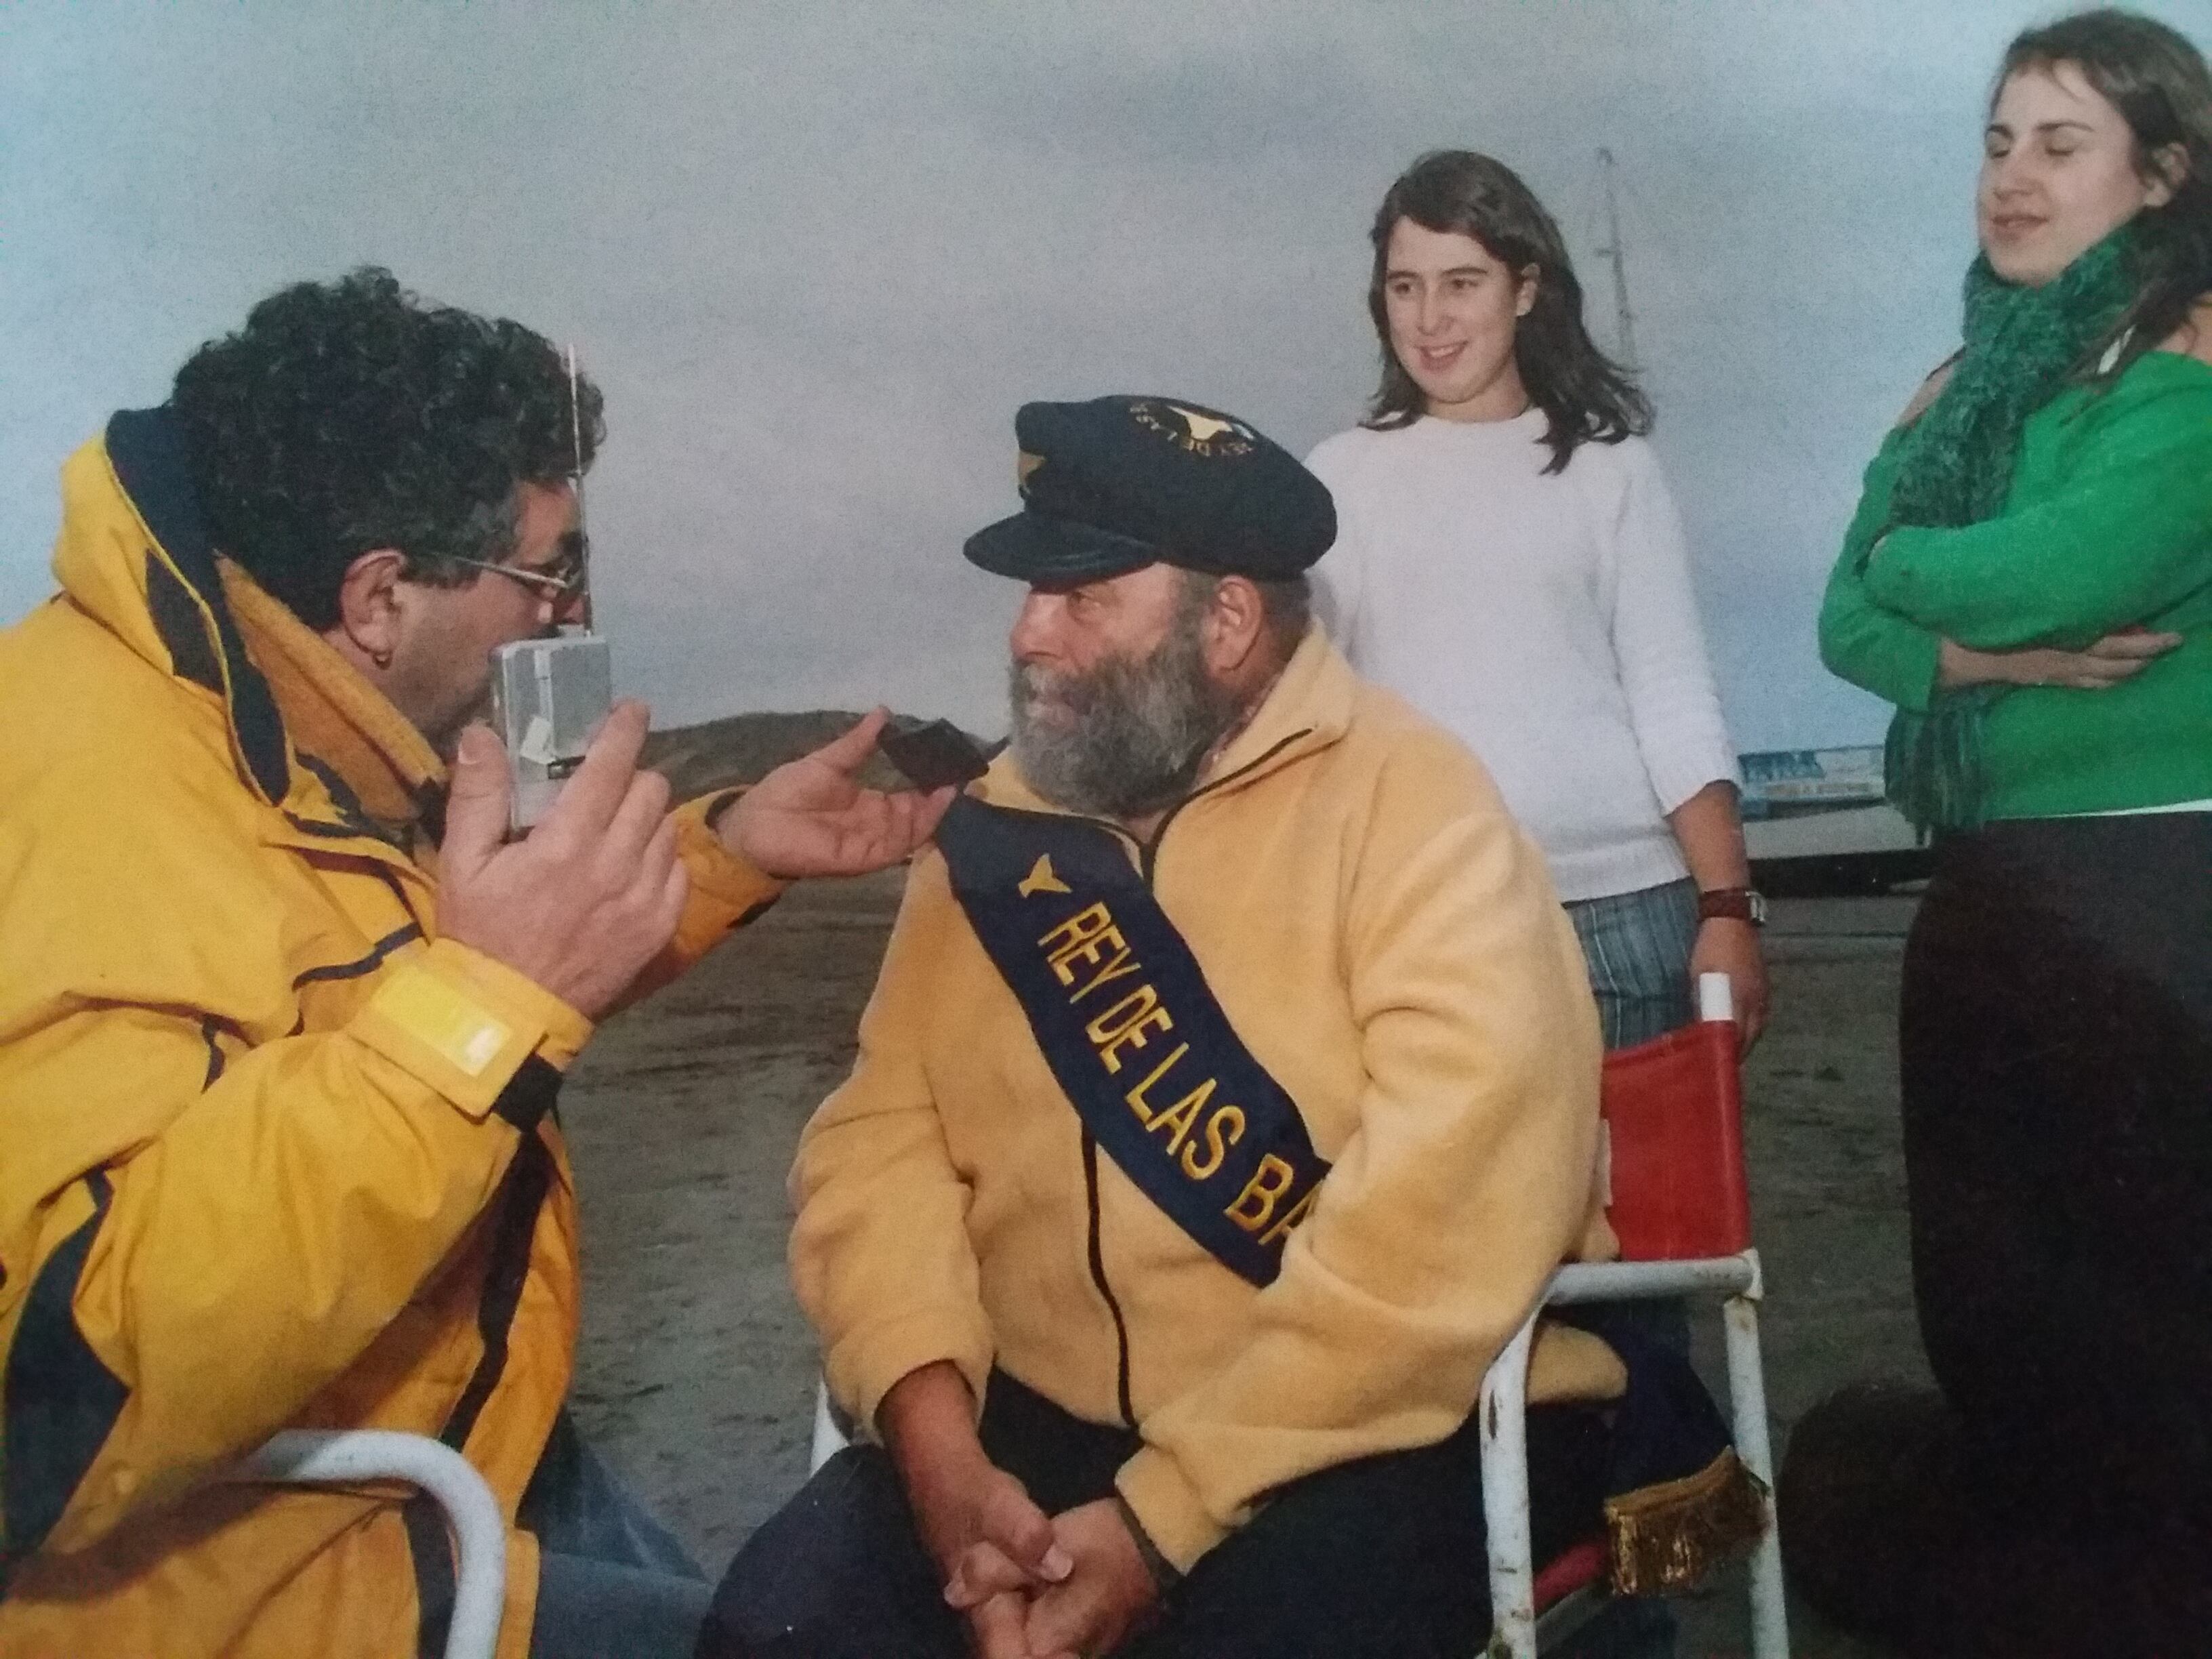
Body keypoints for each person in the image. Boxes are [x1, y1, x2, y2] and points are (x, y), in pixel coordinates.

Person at [701, 395, 1761, 1659]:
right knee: (785, 1619)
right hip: (1031, 1424)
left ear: (1230, 622)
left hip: (1379, 1420)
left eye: (1083, 596)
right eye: (1033, 590)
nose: (1030, 634)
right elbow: (882, 1148)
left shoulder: (1419, 812)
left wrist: (1158, 1523)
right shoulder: (991, 832)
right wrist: (939, 1458)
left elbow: (1441, 1222)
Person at [0, 269, 951, 1659]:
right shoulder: (94, 802)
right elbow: (62, 1386)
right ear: (380, 595)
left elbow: (385, 1000)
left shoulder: (255, 733)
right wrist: (487, 1002)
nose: (569, 622)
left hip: (396, 1442)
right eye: (546, 578)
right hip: (255, 1587)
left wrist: (728, 848)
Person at [1797, 10, 2212, 1652]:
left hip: (2155, 896)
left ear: (2162, 172)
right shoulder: (1973, 381)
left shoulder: (2191, 360)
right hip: (1989, 902)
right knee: (1993, 1312)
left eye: (2062, 144)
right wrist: (1990, 645)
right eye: (1997, 140)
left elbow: (2059, 572)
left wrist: (1929, 571)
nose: (2014, 179)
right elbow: (1842, 620)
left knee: (2154, 1322)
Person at [1309, 150, 1768, 1054]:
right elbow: (1310, 720)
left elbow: (1673, 700)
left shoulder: (1614, 470)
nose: (1431, 320)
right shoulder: (1337, 480)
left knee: (1645, 1203)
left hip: (1629, 922)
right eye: (1405, 287)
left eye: (1462, 283)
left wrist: (1727, 908)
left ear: (1524, 289)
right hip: (1421, 924)